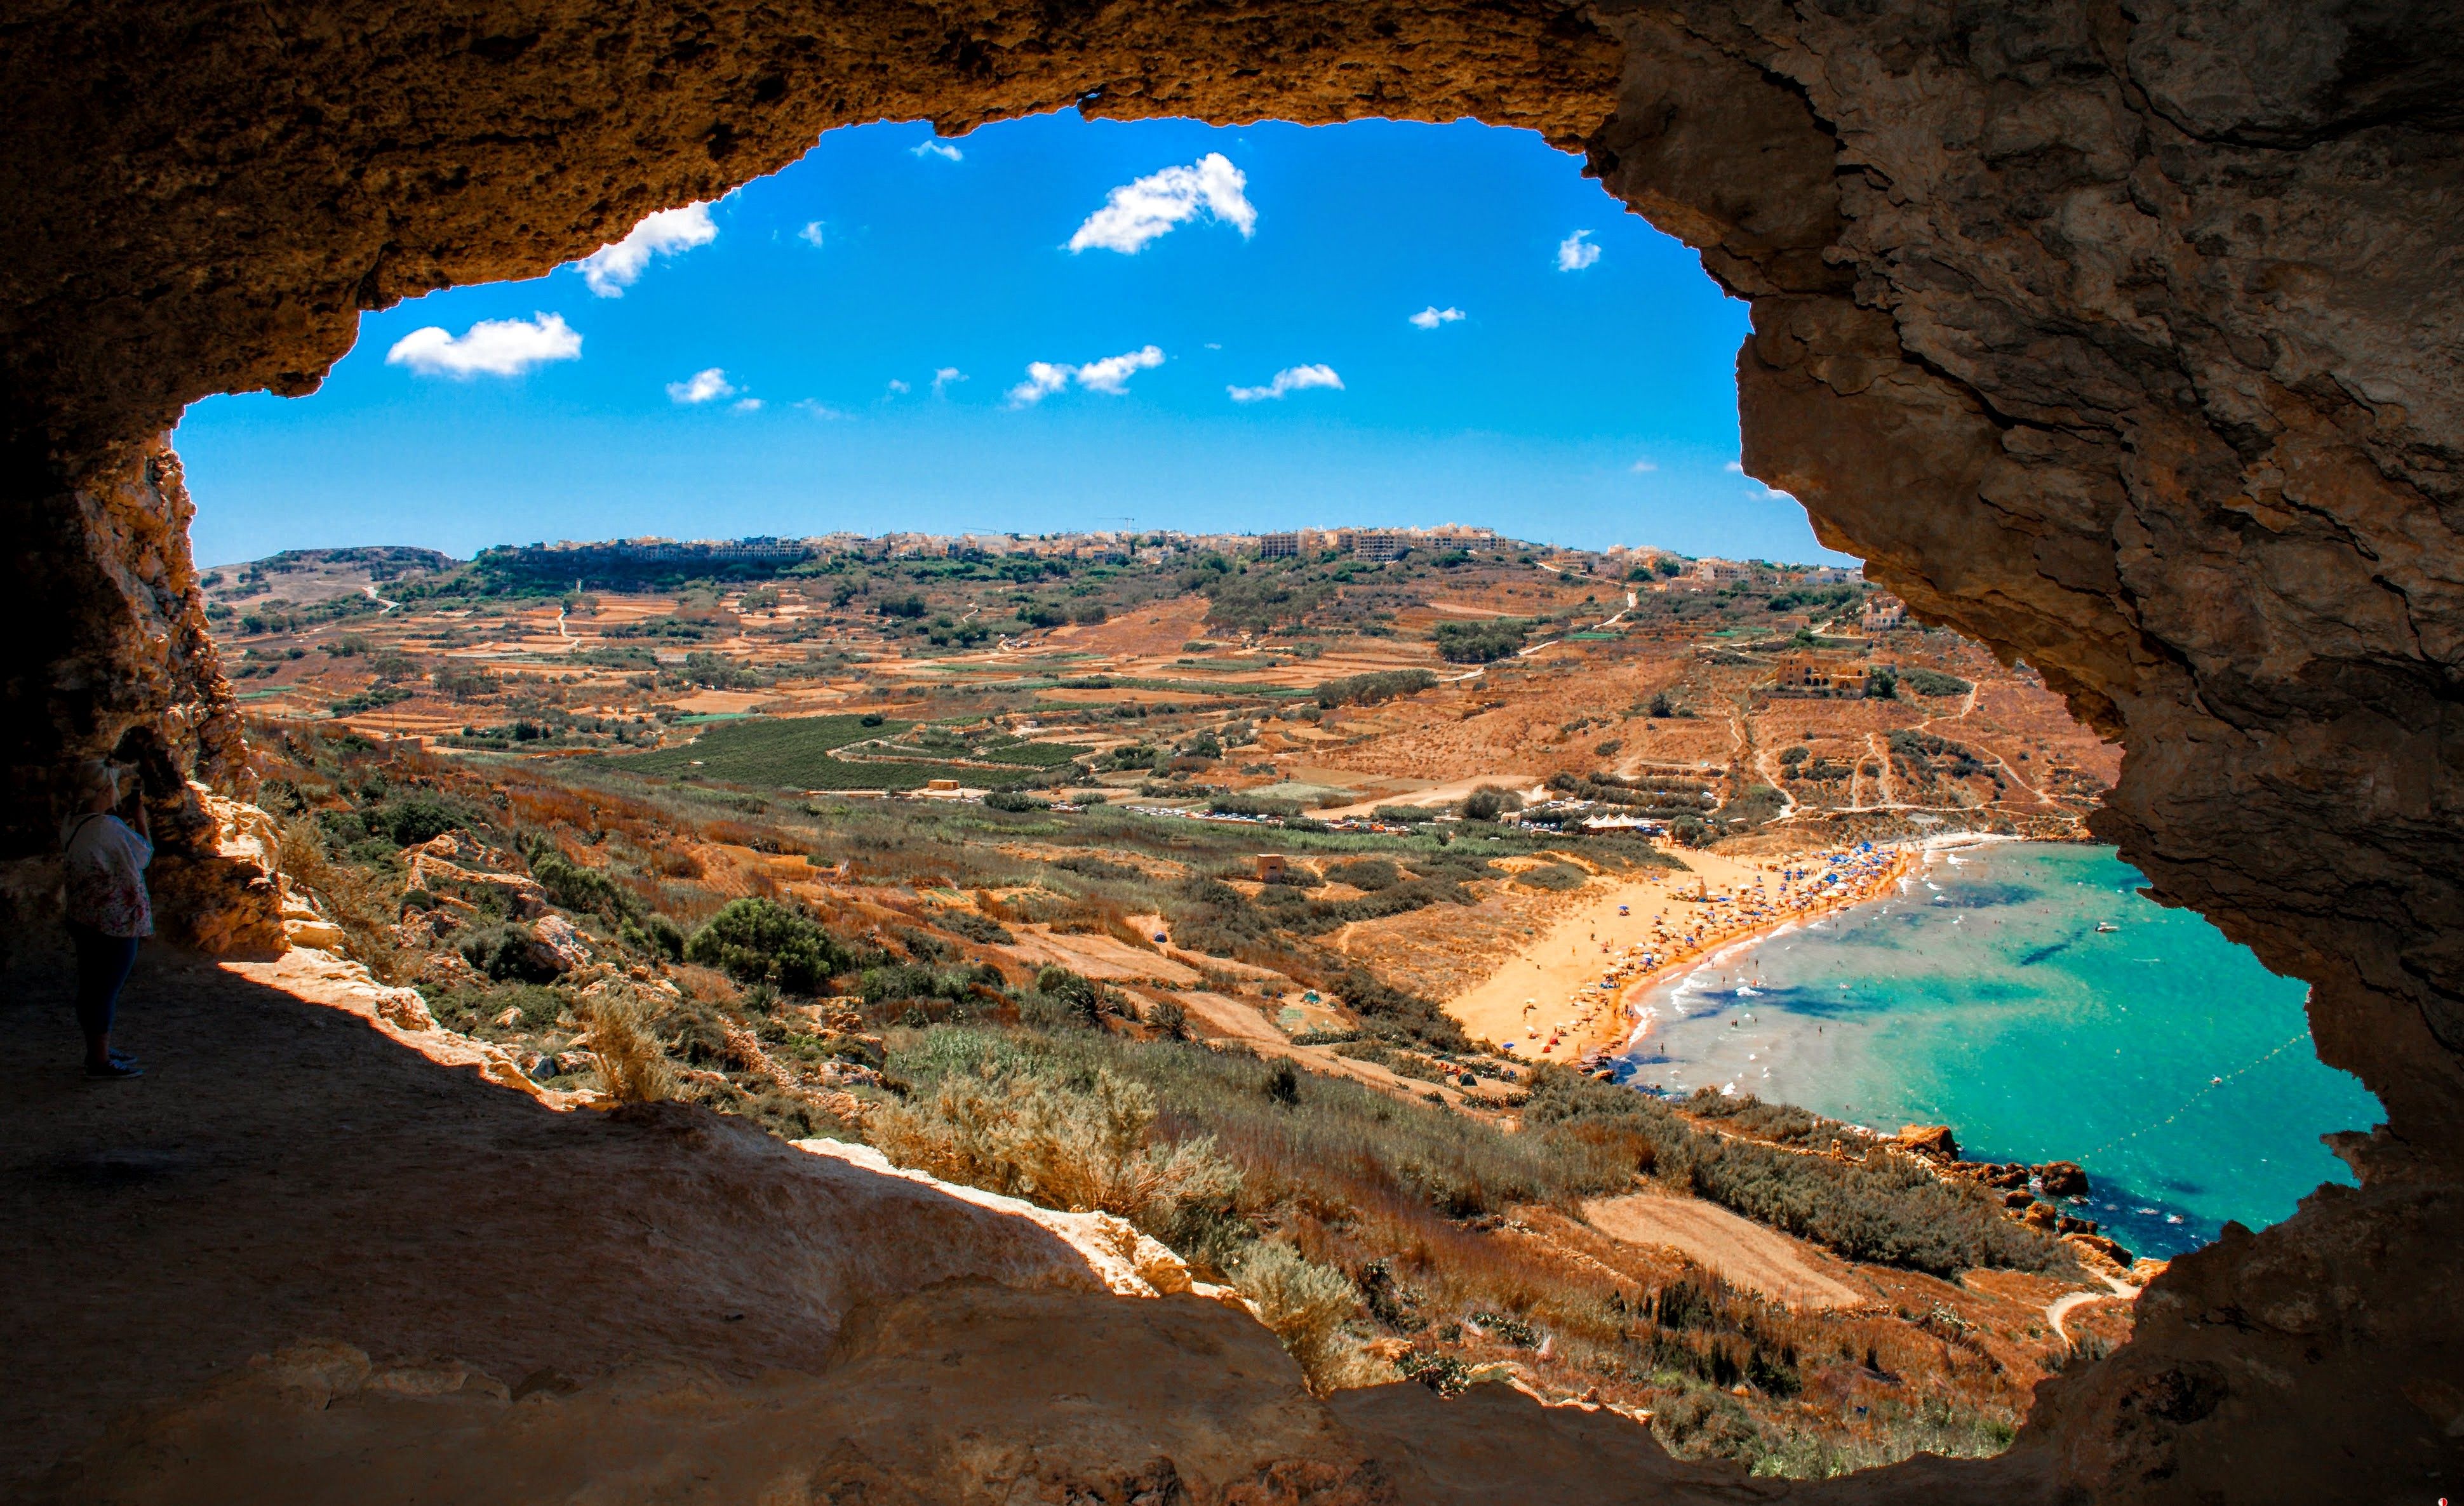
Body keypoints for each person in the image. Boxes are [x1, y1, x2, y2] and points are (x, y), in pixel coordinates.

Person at [60, 761, 152, 1079]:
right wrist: (140, 821)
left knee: (92, 987)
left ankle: (97, 1049)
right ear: (104, 790)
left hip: (83, 916)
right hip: (114, 923)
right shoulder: (107, 827)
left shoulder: (73, 822)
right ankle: (99, 1062)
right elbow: (143, 855)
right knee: (105, 991)